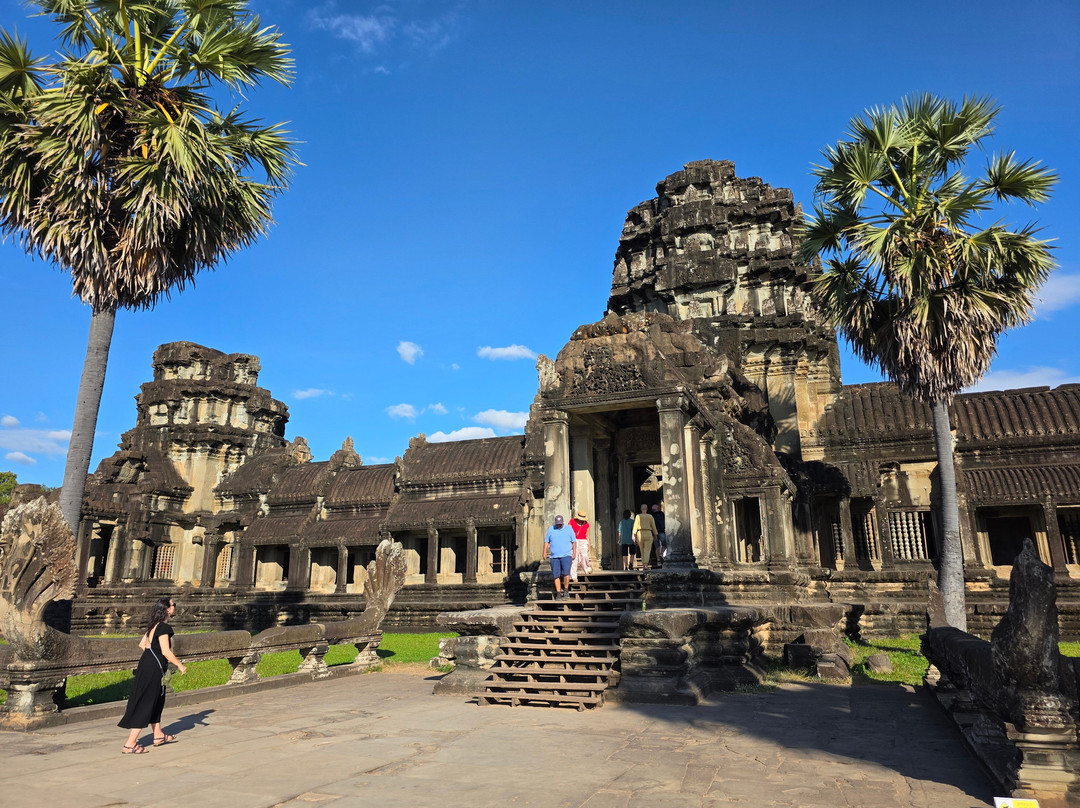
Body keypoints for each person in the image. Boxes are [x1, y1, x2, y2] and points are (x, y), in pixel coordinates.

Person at [119, 597, 187, 754]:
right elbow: (165, 651)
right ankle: (130, 744)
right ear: (167, 609)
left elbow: (142, 645)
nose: (174, 607)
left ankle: (158, 735)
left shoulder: (153, 626)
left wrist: (151, 655)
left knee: (156, 700)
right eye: (173, 605)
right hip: (154, 668)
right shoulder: (163, 627)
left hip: (146, 664)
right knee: (147, 702)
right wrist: (180, 665)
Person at [543, 514, 574, 600]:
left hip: (566, 555)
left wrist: (574, 552)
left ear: (563, 522)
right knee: (556, 575)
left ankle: (566, 590)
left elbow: (574, 541)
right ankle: (558, 592)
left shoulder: (569, 529)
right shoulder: (551, 529)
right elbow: (546, 541)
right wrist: (544, 552)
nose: (559, 525)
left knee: (566, 573)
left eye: (560, 524)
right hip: (554, 556)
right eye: (557, 524)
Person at [568, 509, 592, 583]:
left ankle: (587, 568)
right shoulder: (572, 522)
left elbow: (587, 535)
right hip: (574, 540)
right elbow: (569, 532)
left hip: (583, 541)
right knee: (574, 558)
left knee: (584, 556)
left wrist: (589, 544)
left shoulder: (586, 524)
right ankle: (574, 576)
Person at [633, 504, 658, 569]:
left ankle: (644, 563)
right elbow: (653, 526)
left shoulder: (638, 516)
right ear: (647, 509)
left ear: (641, 509)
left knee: (641, 549)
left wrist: (635, 536)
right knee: (647, 549)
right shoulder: (650, 516)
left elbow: (635, 527)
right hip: (648, 532)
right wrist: (655, 534)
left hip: (639, 533)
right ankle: (646, 563)